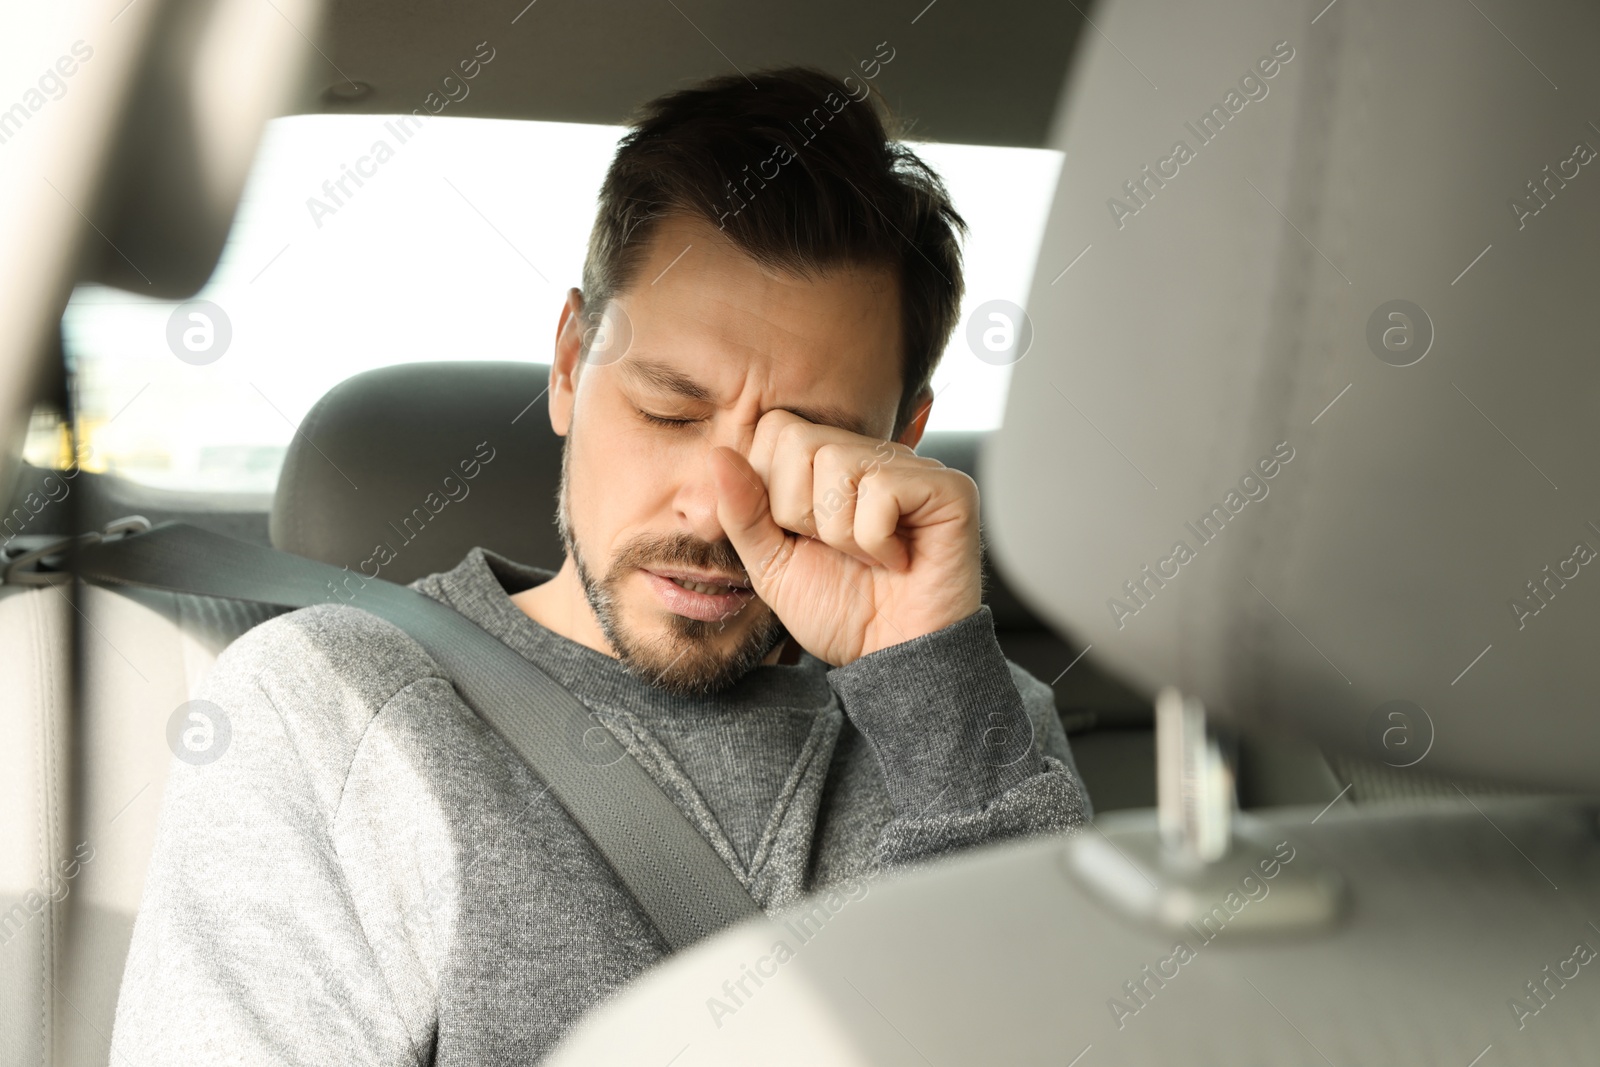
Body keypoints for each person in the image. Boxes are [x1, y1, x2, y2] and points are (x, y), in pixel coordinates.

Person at [110, 65, 1090, 1064]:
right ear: (572, 362)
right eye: (670, 411)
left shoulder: (981, 732)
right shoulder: (328, 705)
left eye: (806, 442)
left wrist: (936, 700)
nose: (716, 508)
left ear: (901, 439)